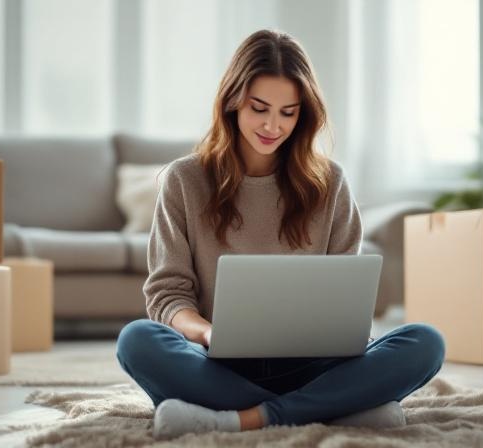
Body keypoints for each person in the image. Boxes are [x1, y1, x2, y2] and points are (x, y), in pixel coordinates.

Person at [116, 29, 445, 440]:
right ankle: (338, 406)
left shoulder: (331, 183)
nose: (273, 125)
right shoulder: (184, 179)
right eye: (260, 108)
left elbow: (346, 296)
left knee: (426, 342)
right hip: (218, 362)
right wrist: (208, 332)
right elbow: (167, 295)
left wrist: (345, 335)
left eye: (288, 112)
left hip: (315, 363)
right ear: (233, 101)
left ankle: (245, 417)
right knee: (137, 341)